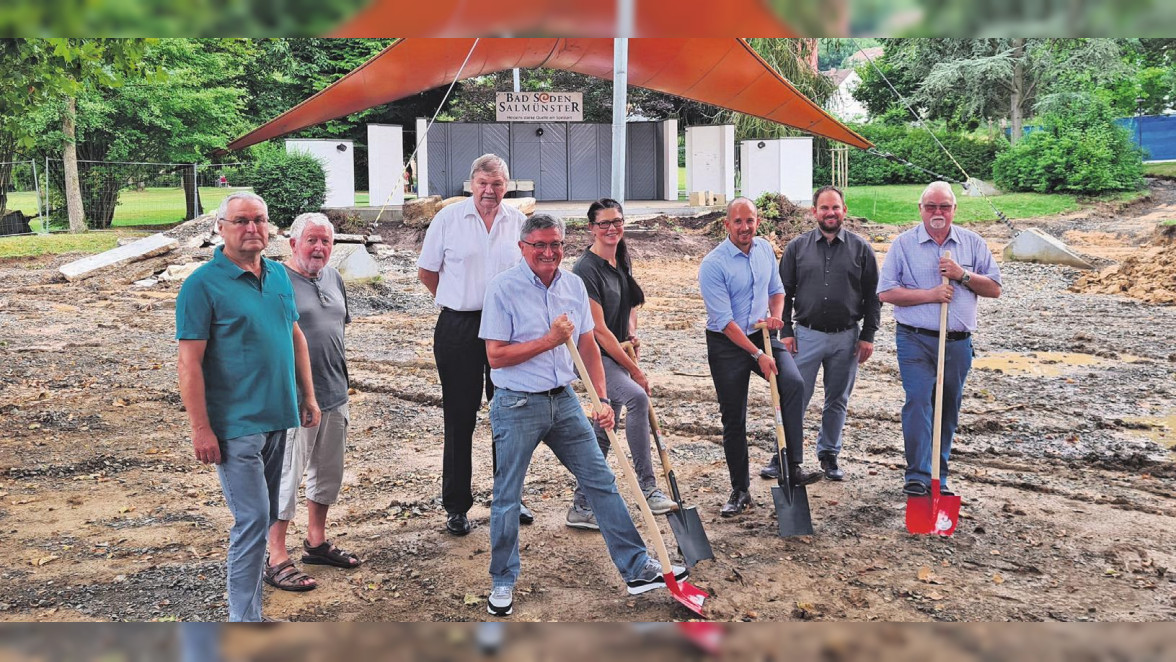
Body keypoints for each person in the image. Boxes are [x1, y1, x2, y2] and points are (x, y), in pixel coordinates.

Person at [479, 213, 687, 617]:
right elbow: (496, 357)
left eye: (555, 244)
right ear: (523, 248)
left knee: (602, 481)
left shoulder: (572, 285)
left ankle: (636, 567)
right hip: (518, 404)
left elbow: (589, 346)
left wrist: (602, 399)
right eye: (539, 244)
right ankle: (502, 580)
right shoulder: (502, 288)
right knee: (506, 497)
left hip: (565, 401)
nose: (548, 252)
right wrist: (549, 341)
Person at [176, 191, 320, 622]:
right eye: (241, 220)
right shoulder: (201, 285)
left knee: (267, 513)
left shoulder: (277, 275)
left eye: (259, 219)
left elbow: (294, 335)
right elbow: (189, 362)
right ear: (220, 227)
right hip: (236, 425)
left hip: (280, 416)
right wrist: (201, 428)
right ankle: (244, 622)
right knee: (253, 521)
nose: (251, 228)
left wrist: (307, 395)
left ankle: (251, 614)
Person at [417, 153, 534, 536]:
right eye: (483, 183)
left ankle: (509, 497)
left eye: (497, 184)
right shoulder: (448, 219)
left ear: (507, 185)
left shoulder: (518, 223)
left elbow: (528, 274)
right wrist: (456, 300)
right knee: (460, 417)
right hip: (459, 326)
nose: (489, 191)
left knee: (511, 416)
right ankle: (456, 505)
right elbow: (427, 272)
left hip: (508, 329)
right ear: (472, 184)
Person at [698, 197, 822, 518]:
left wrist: (775, 317)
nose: (744, 228)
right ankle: (740, 490)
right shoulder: (713, 265)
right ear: (726, 225)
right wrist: (757, 356)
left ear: (757, 221)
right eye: (737, 222)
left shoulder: (765, 249)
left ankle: (790, 467)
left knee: (793, 384)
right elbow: (724, 322)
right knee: (734, 417)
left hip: (760, 332)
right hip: (727, 344)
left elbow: (777, 290)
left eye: (749, 221)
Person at [877, 181, 1002, 497]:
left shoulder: (972, 244)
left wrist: (962, 275)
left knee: (947, 407)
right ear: (920, 209)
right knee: (919, 401)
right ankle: (917, 475)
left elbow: (995, 288)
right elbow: (886, 291)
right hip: (915, 339)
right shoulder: (903, 245)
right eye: (931, 206)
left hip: (958, 342)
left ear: (954, 210)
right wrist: (930, 295)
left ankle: (939, 475)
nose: (937, 212)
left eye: (944, 206)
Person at [264, 213, 361, 593]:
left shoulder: (333, 278)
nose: (319, 248)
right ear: (293, 243)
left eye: (326, 241)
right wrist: (298, 393)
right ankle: (275, 556)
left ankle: (316, 543)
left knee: (327, 472)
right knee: (286, 477)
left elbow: (336, 327)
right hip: (294, 399)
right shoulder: (275, 280)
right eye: (311, 241)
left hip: (335, 392)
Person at [565, 199, 675, 530]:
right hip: (593, 357)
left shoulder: (620, 259)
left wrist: (631, 332)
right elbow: (597, 331)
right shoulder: (586, 269)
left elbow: (630, 304)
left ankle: (581, 505)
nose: (612, 228)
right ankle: (648, 486)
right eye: (604, 224)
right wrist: (635, 370)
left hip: (615, 353)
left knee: (603, 428)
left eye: (617, 222)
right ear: (591, 228)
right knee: (637, 398)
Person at [768, 185, 880, 483]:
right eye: (824, 208)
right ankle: (783, 454)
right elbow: (783, 293)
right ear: (814, 211)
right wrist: (787, 331)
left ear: (844, 210)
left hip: (847, 338)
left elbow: (873, 296)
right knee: (795, 396)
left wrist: (868, 334)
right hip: (805, 336)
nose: (830, 213)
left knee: (837, 398)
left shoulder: (861, 249)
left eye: (835, 208)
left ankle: (829, 454)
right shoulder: (797, 248)